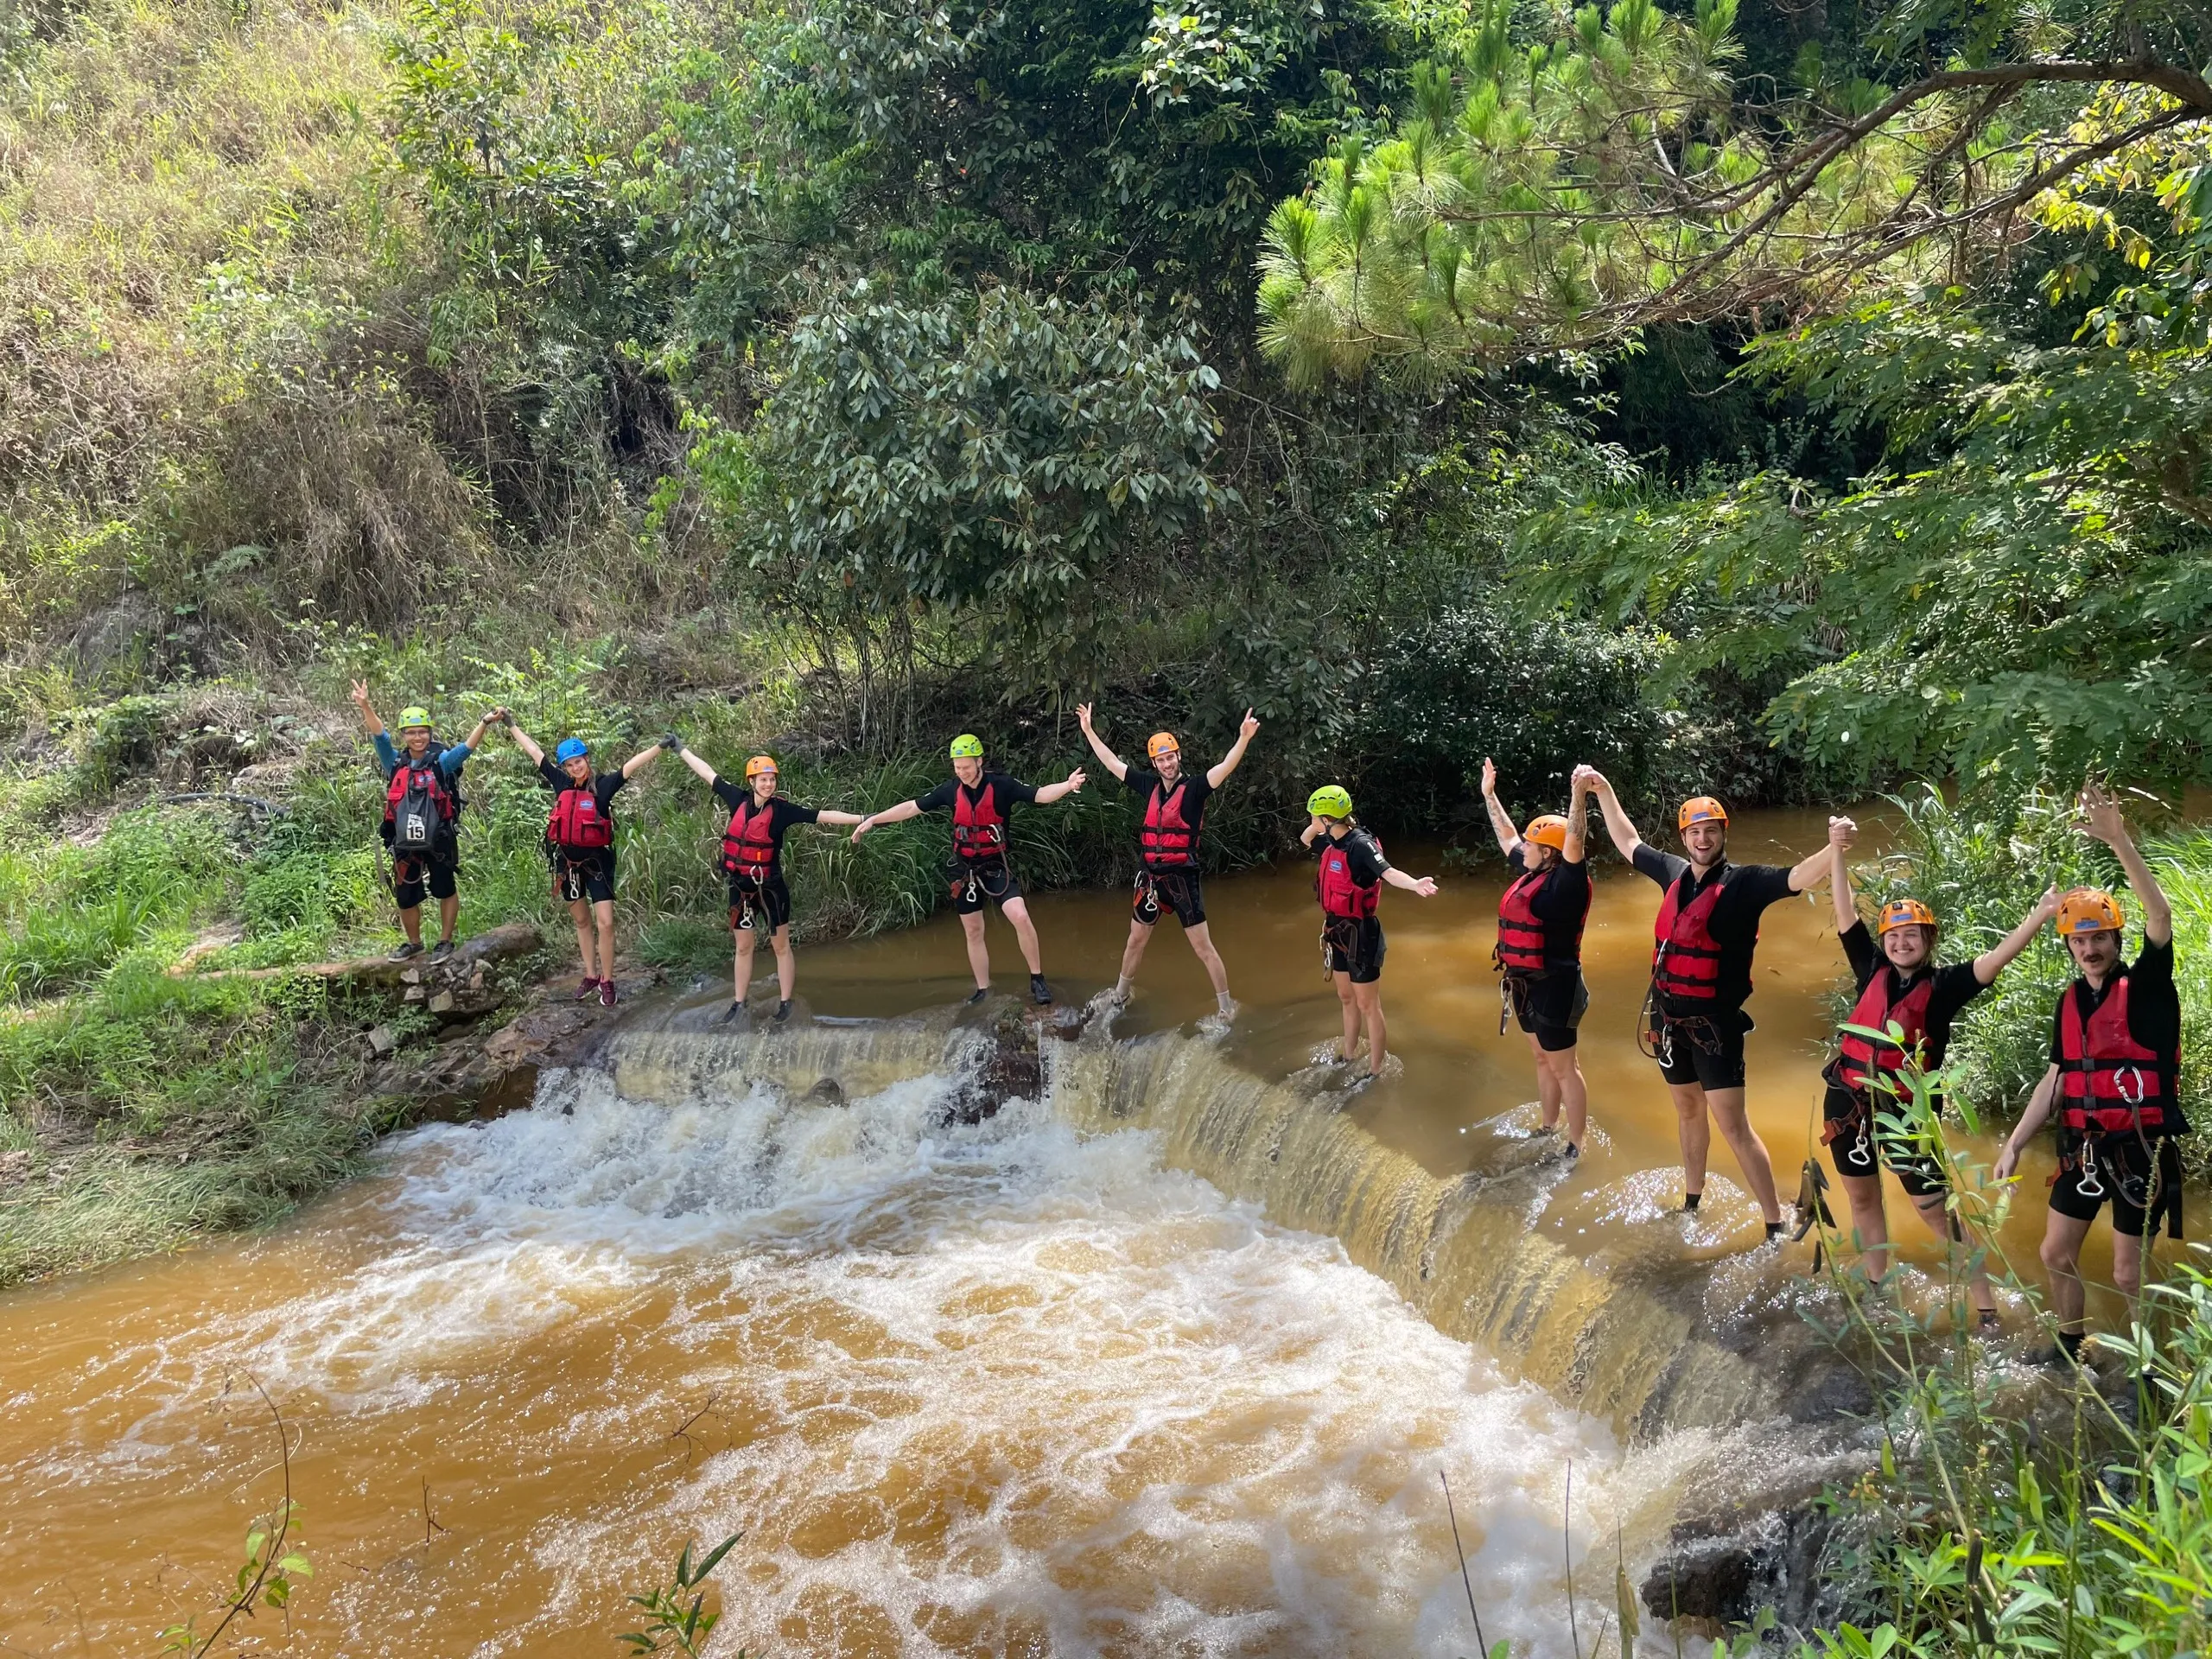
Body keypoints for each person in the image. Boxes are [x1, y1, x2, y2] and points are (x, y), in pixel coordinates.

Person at [1580, 769, 1837, 1239]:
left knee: (1734, 1126)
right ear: (1685, 837)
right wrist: (1604, 791)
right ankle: (1692, 1201)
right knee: (1686, 1109)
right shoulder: (1674, 873)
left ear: (1722, 835)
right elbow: (1627, 840)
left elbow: (1798, 877)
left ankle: (1775, 1223)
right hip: (1668, 1018)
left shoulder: (1746, 884)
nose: (1702, 839)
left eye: (1710, 831)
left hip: (1716, 1026)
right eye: (1694, 832)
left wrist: (1835, 846)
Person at [1822, 817, 2058, 1326]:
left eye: (1913, 936)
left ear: (1928, 941)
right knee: (1861, 1198)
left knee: (1937, 1213)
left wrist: (2039, 916)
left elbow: (1995, 960)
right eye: (1895, 935)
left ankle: (1987, 1308)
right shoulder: (1869, 967)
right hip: (1848, 1101)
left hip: (1906, 1111)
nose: (1902, 943)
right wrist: (1836, 850)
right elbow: (1844, 913)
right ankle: (1877, 1289)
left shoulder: (1946, 986)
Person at [1994, 782, 2185, 1364]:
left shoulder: (2148, 988)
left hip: (2139, 1151)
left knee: (2129, 1273)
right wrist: (2017, 1142)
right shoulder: (2070, 1003)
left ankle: (2155, 1367)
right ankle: (2071, 1346)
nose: (2091, 947)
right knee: (2056, 1253)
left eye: (2099, 936)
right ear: (2070, 947)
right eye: (2080, 939)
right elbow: (2057, 1080)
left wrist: (2118, 838)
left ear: (2114, 938)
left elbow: (2160, 913)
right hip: (2082, 1149)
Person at [850, 734, 1087, 1005]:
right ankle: (983, 989)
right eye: (957, 767)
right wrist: (874, 820)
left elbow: (1040, 795)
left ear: (979, 762)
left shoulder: (1002, 786)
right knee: (973, 931)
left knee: (1020, 916)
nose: (962, 772)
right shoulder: (950, 790)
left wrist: (1068, 786)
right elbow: (911, 807)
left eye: (966, 767)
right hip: (965, 872)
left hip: (996, 866)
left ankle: (1037, 978)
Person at [1075, 703, 1261, 1019]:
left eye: (1170, 757)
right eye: (1161, 760)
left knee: (1203, 948)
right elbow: (1110, 763)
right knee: (1136, 940)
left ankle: (1226, 1008)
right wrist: (1089, 731)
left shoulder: (1196, 789)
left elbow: (1226, 766)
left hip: (1182, 878)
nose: (1167, 764)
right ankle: (1120, 996)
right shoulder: (1148, 786)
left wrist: (1242, 739)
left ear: (1179, 757)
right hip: (1151, 878)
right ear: (1155, 763)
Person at [673, 744, 867, 1022]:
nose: (768, 783)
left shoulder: (782, 810)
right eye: (762, 779)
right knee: (743, 946)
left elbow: (821, 816)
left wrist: (862, 819)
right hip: (740, 889)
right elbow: (707, 773)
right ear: (751, 782)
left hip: (771, 888)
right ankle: (739, 1003)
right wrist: (681, 750)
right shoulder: (736, 799)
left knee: (780, 946)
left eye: (772, 779)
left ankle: (786, 1001)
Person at [506, 722, 674, 1007]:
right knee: (582, 921)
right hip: (568, 863)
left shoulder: (603, 786)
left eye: (579, 762)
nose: (575, 768)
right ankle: (591, 974)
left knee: (605, 923)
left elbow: (630, 766)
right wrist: (510, 724)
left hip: (597, 862)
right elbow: (534, 752)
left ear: (587, 760)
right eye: (569, 765)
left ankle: (607, 980)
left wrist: (660, 746)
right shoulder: (561, 783)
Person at [1481, 759, 1592, 1154]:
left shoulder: (1567, 883)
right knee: (1542, 1059)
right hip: (1525, 985)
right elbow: (1507, 836)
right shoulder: (1534, 869)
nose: (1521, 848)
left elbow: (1575, 840)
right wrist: (1490, 796)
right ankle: (1548, 1127)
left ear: (1549, 854)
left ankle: (1576, 1144)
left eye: (1530, 844)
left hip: (1556, 987)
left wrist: (1578, 797)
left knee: (1565, 1068)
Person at [349, 683, 503, 962]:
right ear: (405, 735)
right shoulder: (394, 762)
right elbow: (380, 736)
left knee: (445, 887)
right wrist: (365, 706)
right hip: (404, 840)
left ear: (430, 734)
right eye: (411, 732)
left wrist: (484, 722)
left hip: (439, 836)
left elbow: (465, 749)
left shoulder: (440, 762)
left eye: (422, 732)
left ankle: (445, 941)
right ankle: (414, 943)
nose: (417, 737)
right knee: (406, 895)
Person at [1300, 785, 1440, 1087]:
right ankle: (1349, 1056)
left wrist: (1415, 884)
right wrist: (1312, 831)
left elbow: (1388, 873)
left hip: (1361, 934)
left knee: (1368, 1006)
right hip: (1336, 930)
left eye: (1313, 816)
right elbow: (1305, 839)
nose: (1309, 820)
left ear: (1327, 819)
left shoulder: (1360, 845)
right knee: (1345, 997)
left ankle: (1376, 1071)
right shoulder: (1331, 838)